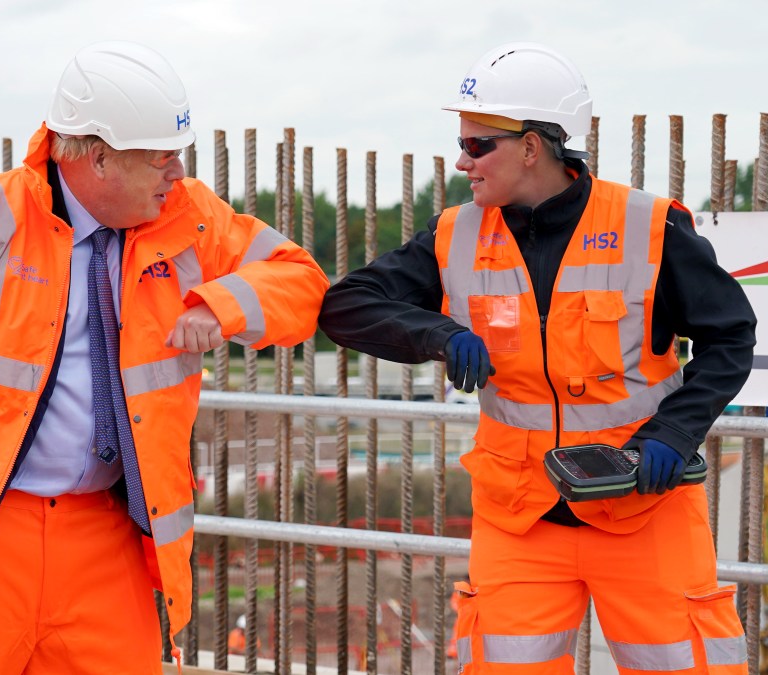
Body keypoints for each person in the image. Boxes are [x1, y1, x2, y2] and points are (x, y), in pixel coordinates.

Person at [0, 41, 328, 675]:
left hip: (108, 540)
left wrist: (217, 303)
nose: (177, 173)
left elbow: (300, 277)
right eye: (162, 158)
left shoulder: (190, 219)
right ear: (99, 159)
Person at [319, 42, 755, 674]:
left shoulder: (649, 227)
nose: (462, 161)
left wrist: (676, 430)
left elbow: (732, 335)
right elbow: (346, 306)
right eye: (461, 143)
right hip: (519, 519)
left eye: (476, 145)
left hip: (642, 509)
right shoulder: (456, 233)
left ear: (531, 146)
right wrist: (439, 336)